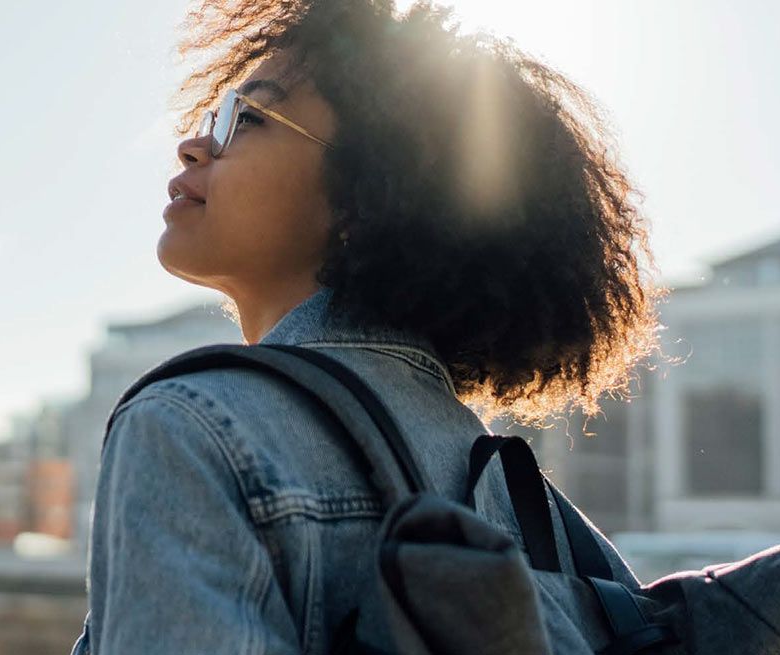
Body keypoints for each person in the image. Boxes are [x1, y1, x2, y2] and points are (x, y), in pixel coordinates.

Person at [71, 0, 665, 652]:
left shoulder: (192, 429)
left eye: (247, 119)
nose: (194, 143)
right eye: (214, 116)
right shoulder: (544, 517)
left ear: (366, 196)